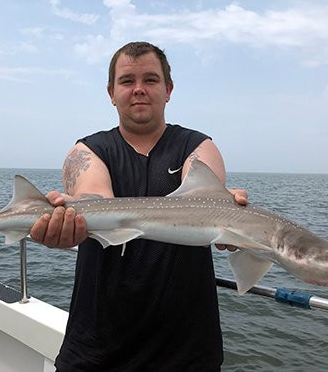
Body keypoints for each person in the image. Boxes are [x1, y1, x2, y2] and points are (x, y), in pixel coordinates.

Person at [30, 41, 247, 372]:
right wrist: (70, 218)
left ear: (168, 89)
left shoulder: (198, 146)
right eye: (127, 81)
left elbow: (203, 199)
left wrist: (231, 221)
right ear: (111, 92)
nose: (139, 90)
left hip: (187, 354)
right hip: (94, 351)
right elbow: (98, 201)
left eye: (150, 79)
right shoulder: (87, 150)